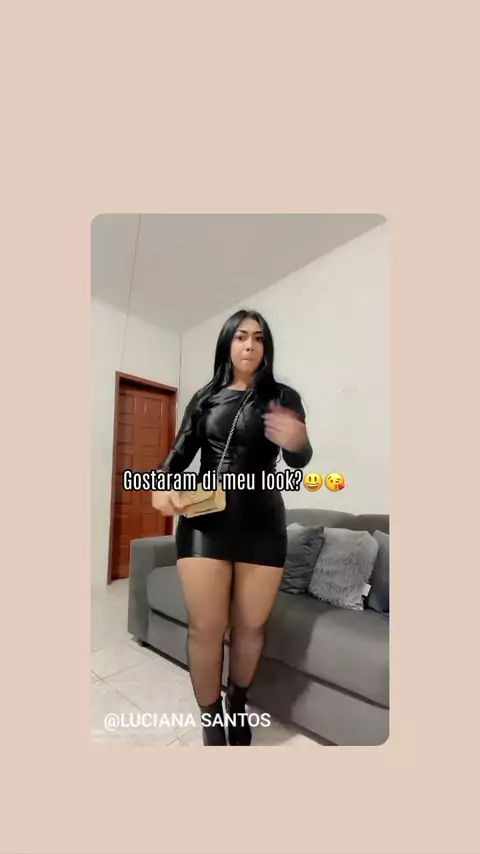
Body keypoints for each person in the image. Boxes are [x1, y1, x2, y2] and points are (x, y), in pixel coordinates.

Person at [153, 309, 313, 745]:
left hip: (263, 523)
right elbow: (177, 455)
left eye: (258, 338)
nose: (249, 345)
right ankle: (210, 717)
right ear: (227, 343)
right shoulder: (205, 398)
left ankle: (237, 703)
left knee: (250, 629)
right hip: (205, 522)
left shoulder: (283, 396)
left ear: (266, 347)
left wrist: (298, 442)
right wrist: (159, 485)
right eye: (241, 336)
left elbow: (299, 457)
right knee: (205, 628)